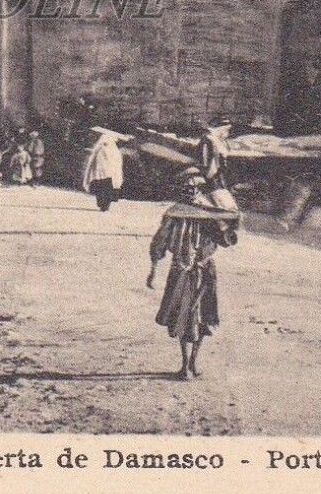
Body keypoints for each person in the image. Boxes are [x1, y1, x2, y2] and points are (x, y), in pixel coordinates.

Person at [146, 171, 240, 380]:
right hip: (180, 271)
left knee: (203, 318)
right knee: (182, 318)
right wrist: (153, 269)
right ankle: (184, 364)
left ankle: (192, 362)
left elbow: (225, 240)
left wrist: (229, 226)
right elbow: (159, 242)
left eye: (194, 187)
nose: (190, 191)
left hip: (205, 271)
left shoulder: (212, 215)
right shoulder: (174, 214)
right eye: (187, 187)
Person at [82, 127, 129, 211]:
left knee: (105, 190)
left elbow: (116, 163)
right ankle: (103, 205)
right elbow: (93, 161)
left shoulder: (112, 150)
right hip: (103, 174)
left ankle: (104, 205)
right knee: (103, 190)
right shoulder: (104, 149)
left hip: (107, 175)